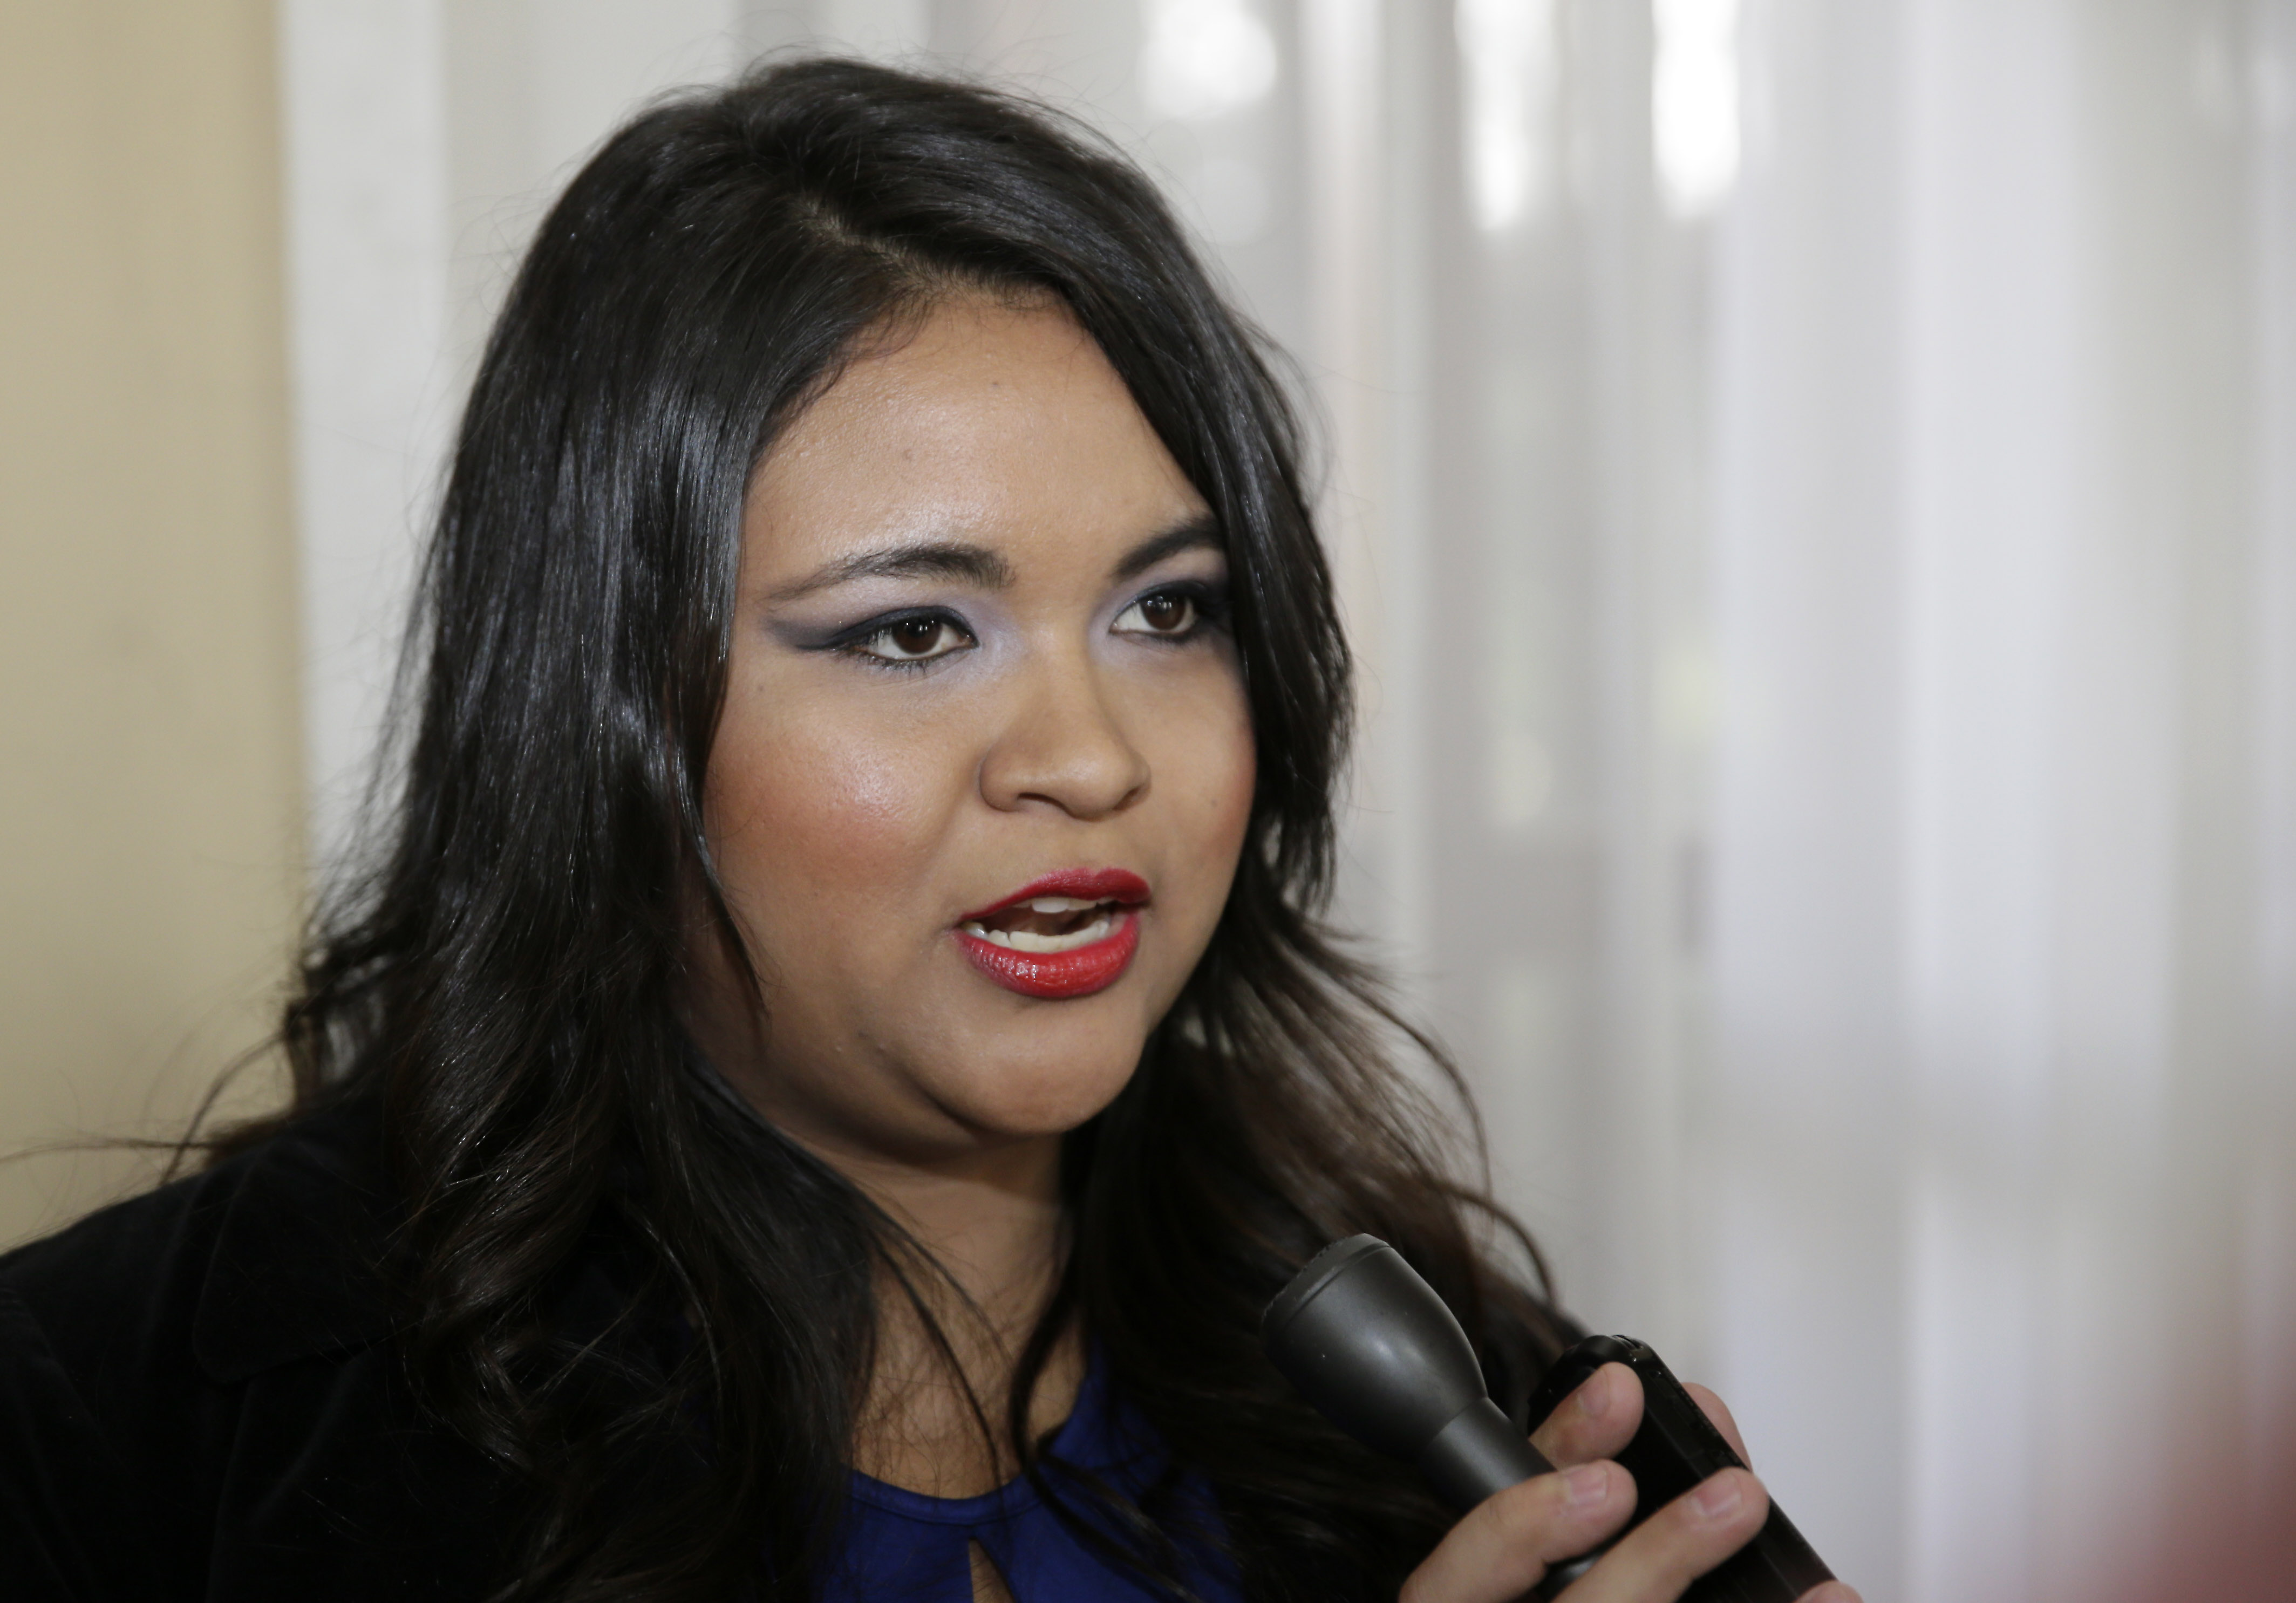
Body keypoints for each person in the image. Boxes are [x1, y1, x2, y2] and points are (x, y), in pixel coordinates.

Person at [0, 58, 1858, 1603]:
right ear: (601, 712)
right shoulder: (110, 1434)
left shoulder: (1451, 1396)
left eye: (1169, 610)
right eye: (912, 633)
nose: (1088, 757)